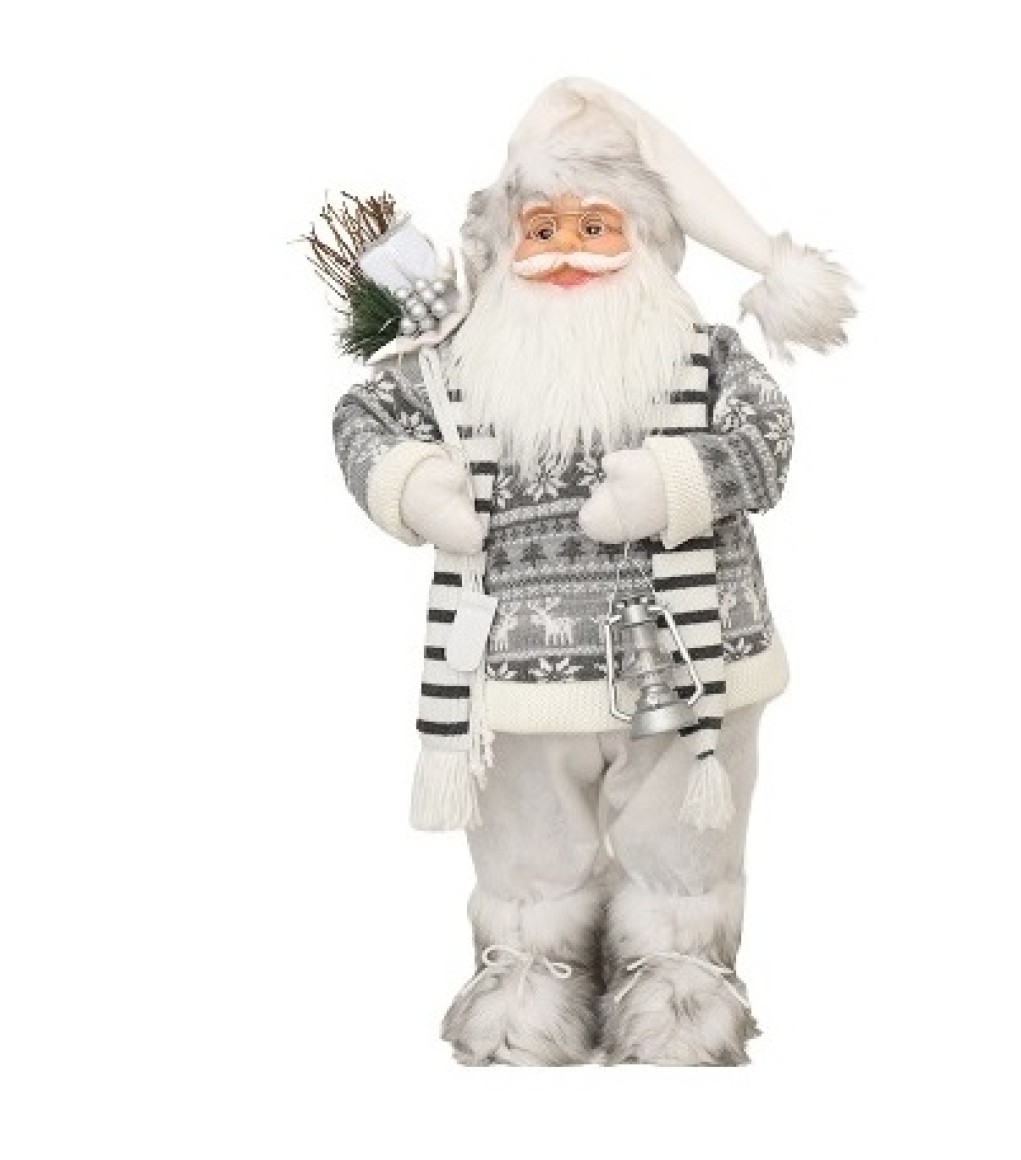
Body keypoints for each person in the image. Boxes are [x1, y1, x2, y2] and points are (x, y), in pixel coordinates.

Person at [331, 78, 853, 1065]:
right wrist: (413, 484)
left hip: (693, 662)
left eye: (595, 224)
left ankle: (681, 969)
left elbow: (766, 440)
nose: (566, 249)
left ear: (648, 242)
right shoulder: (455, 364)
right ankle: (531, 969)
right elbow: (363, 419)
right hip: (518, 673)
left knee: (684, 832)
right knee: (527, 836)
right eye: (542, 227)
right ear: (503, 244)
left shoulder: (701, 355)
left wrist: (675, 482)